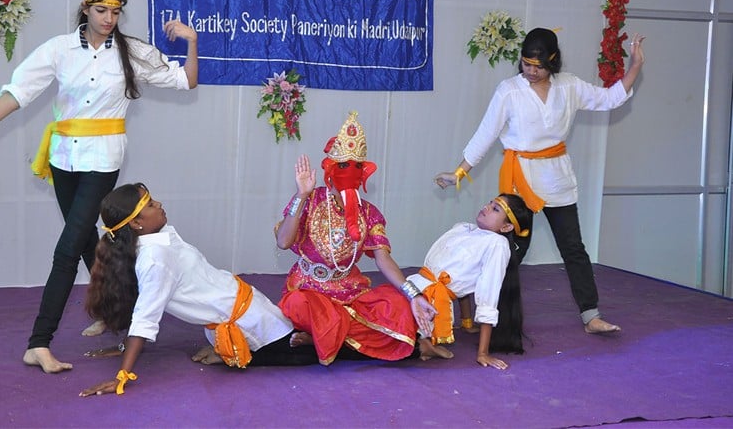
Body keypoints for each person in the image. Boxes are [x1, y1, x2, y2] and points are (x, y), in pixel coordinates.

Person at [0, 0, 199, 373]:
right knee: (84, 237)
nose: (109, 19)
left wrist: (191, 41)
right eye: (101, 10)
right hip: (64, 158)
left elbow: (185, 81)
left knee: (66, 249)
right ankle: (114, 313)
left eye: (116, 12)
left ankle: (39, 342)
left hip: (103, 159)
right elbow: (17, 93)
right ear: (85, 8)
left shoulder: (131, 52)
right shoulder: (59, 49)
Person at [435, 28, 646, 334]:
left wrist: (635, 66)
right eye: (526, 64)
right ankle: (490, 317)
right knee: (509, 252)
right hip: (520, 182)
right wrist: (458, 172)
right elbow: (486, 133)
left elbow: (610, 98)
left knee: (573, 248)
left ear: (553, 61)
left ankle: (591, 315)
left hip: (557, 179)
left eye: (538, 66)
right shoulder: (509, 90)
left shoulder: (570, 86)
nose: (531, 71)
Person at [79, 183, 319, 397]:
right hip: (251, 323)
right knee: (324, 351)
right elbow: (144, 316)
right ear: (136, 223)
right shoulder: (155, 259)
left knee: (322, 336)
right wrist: (122, 375)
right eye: (150, 204)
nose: (159, 204)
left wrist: (122, 348)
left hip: (249, 310)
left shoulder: (159, 239)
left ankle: (228, 353)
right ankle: (234, 354)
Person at [276, 111, 445, 365]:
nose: (350, 172)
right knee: (299, 306)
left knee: (398, 306)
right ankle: (335, 333)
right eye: (343, 166)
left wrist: (414, 295)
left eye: (356, 167)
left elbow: (384, 259)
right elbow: (283, 242)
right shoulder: (310, 199)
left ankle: (326, 336)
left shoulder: (369, 213)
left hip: (350, 291)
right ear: (330, 169)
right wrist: (301, 195)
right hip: (310, 289)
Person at [407, 193, 532, 370]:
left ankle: (422, 346)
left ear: (506, 227)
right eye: (490, 203)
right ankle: (421, 344)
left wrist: (483, 353)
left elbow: (488, 294)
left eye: (495, 209)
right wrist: (466, 323)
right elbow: (461, 279)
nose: (487, 207)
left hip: (428, 304)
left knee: (373, 334)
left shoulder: (497, 244)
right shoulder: (465, 228)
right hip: (410, 287)